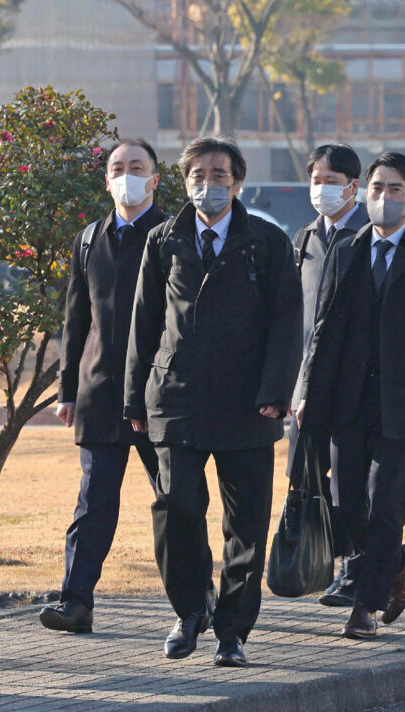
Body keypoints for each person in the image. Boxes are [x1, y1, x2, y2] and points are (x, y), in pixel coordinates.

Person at [124, 136, 302, 667]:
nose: (209, 184)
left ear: (238, 182)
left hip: (249, 404)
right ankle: (189, 609)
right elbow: (143, 325)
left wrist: (275, 391)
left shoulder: (267, 242)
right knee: (175, 507)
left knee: (245, 525)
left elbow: (287, 323)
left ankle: (233, 632)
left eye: (219, 175)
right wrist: (136, 396)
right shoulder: (163, 240)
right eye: (198, 175)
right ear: (184, 182)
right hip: (176, 398)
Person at [40, 139, 214, 633]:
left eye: (137, 167)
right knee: (93, 502)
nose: (127, 174)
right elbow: (75, 322)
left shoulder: (175, 236)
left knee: (178, 500)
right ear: (107, 178)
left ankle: (199, 595)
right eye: (118, 167)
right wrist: (67, 388)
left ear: (157, 179)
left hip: (161, 394)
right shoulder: (90, 238)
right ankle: (76, 601)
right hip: (99, 395)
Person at [299, 152, 405, 639]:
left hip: (404, 403)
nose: (384, 197)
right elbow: (324, 332)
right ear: (364, 193)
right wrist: (310, 393)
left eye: (395, 190)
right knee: (346, 503)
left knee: (386, 504)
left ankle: (366, 606)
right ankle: (395, 560)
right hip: (346, 402)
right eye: (377, 188)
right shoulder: (346, 249)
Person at [287, 144, 369, 608]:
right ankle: (370, 559)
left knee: (350, 487)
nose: (322, 188)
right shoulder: (303, 241)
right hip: (305, 387)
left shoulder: (368, 237)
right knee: (309, 482)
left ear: (353, 187)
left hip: (353, 387)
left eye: (331, 180)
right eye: (316, 179)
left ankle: (356, 570)